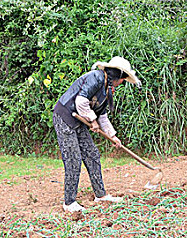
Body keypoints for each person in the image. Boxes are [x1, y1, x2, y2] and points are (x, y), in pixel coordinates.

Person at [53, 56, 141, 212]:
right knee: (73, 158)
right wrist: (92, 121)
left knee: (92, 154)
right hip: (66, 117)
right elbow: (81, 101)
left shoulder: (107, 89)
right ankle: (69, 202)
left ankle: (100, 195)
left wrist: (113, 136)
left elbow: (102, 116)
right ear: (117, 75)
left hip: (79, 120)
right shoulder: (96, 77)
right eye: (123, 79)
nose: (122, 83)